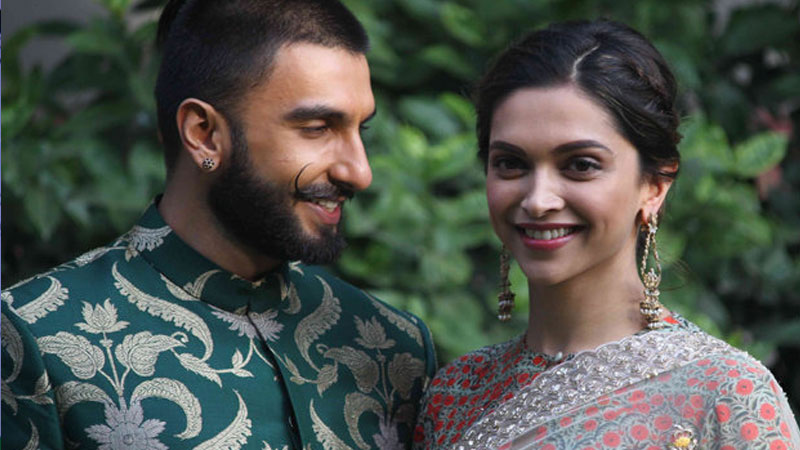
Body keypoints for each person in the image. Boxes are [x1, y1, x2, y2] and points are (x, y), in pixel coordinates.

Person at [1, 1, 437, 448]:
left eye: (361, 129)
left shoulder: (394, 348)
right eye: (318, 128)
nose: (359, 172)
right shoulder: (34, 336)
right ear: (204, 134)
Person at [414, 19, 800, 449]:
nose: (538, 200)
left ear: (654, 185)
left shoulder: (727, 396)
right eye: (511, 164)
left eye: (581, 165)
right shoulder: (454, 395)